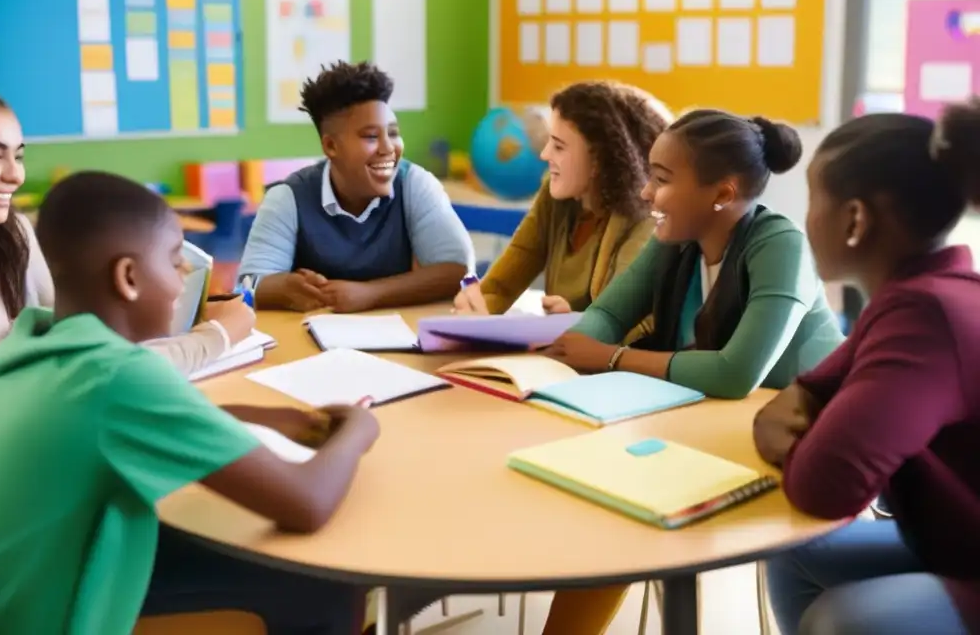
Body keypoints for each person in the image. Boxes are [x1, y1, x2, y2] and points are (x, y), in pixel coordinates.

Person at [0, 171, 378, 634]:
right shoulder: (117, 376)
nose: (183, 280)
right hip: (41, 620)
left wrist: (261, 419)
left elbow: (109, 423)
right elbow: (307, 502)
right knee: (323, 583)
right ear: (129, 277)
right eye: (175, 261)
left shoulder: (30, 341)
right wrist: (359, 428)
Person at [532, 109, 846, 635]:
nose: (646, 195)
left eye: (661, 180)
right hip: (709, 422)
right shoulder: (674, 239)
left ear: (721, 194)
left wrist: (607, 356)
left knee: (627, 510)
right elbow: (608, 316)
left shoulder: (780, 244)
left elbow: (735, 374)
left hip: (795, 438)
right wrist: (582, 342)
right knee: (612, 504)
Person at [755, 103, 980, 634]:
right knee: (796, 552)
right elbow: (810, 391)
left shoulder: (923, 314)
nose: (805, 219)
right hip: (958, 541)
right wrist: (804, 423)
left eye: (813, 200)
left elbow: (825, 486)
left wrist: (795, 438)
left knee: (846, 619)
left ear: (855, 219)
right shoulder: (927, 292)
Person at [0, 86, 253, 399]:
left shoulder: (12, 232)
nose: (15, 175)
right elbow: (75, 374)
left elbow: (80, 346)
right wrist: (216, 336)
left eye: (17, 156)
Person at [239, 61, 473, 313]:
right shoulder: (287, 197)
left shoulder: (416, 184)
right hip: (309, 341)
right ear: (331, 146)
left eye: (393, 133)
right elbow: (246, 287)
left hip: (395, 340)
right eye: (371, 136)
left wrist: (371, 294)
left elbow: (458, 271)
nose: (388, 148)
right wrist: (282, 288)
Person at [453, 81, 668, 317]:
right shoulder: (556, 198)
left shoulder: (643, 220)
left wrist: (576, 322)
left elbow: (631, 323)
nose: (545, 154)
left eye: (559, 146)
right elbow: (502, 285)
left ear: (599, 159)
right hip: (560, 349)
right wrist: (476, 307)